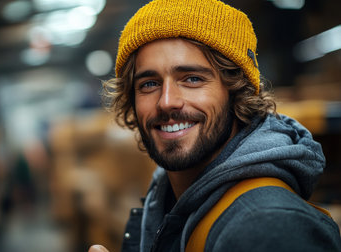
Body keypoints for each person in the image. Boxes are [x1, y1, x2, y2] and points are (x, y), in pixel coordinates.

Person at [90, 0, 341, 251]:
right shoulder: (169, 194)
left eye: (192, 79)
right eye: (149, 84)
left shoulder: (269, 227)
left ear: (237, 92)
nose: (166, 102)